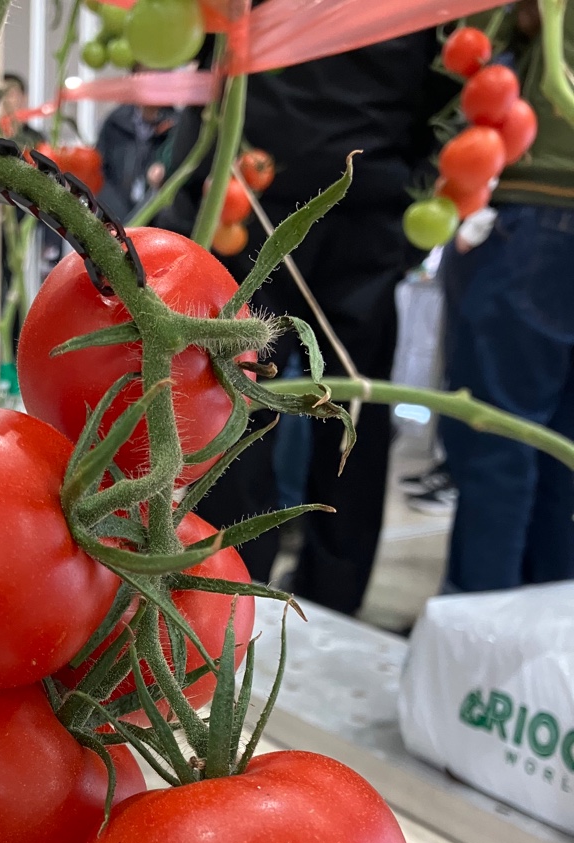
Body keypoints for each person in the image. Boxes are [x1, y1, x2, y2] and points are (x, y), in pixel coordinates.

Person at [157, 29, 453, 615]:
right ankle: (328, 596)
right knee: (350, 412)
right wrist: (411, 217)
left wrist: (189, 199)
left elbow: (209, 52)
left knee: (236, 403)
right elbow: (443, 94)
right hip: (362, 194)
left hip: (260, 188)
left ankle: (232, 590)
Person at [438, 0, 574, 593]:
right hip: (539, 216)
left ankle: (481, 626)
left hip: (537, 202)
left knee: (499, 438)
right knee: (562, 453)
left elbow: (469, 56)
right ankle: (546, 633)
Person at [96, 103, 178, 221]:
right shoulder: (116, 121)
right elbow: (100, 168)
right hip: (115, 209)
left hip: (154, 214)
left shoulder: (175, 124)